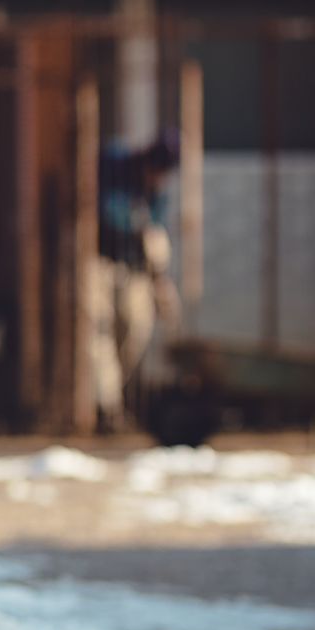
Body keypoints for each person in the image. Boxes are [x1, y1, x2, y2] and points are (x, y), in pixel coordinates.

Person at [89, 131, 181, 429]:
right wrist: (132, 222)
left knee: (136, 329)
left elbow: (155, 233)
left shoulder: (156, 192)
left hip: (134, 267)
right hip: (99, 259)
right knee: (99, 330)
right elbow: (99, 207)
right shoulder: (113, 163)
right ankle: (107, 406)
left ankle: (109, 393)